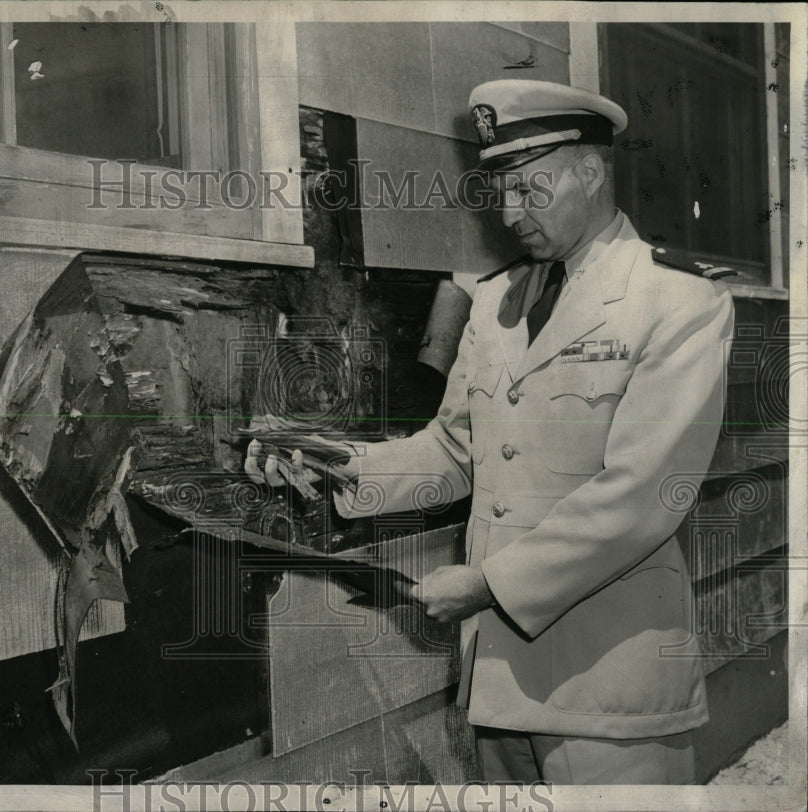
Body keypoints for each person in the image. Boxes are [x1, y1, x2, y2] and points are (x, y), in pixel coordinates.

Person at [246, 79, 734, 785]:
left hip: (610, 686)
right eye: (498, 190)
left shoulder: (680, 301)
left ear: (590, 171)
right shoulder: (498, 301)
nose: (508, 213)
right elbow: (454, 449)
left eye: (529, 189)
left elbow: (645, 494)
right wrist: (331, 464)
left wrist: (488, 586)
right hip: (500, 674)